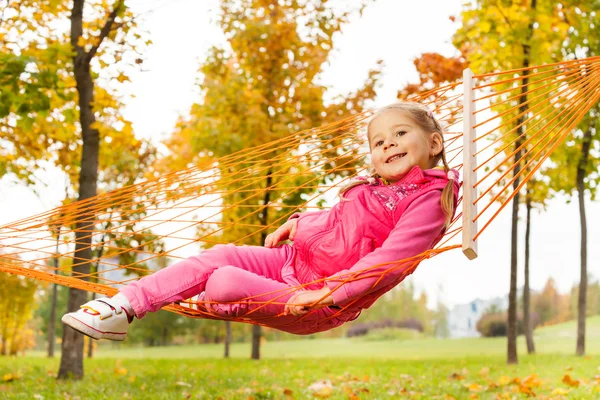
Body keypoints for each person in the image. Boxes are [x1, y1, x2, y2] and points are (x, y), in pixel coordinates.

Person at [62, 102, 460, 341]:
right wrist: (297, 222)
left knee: (225, 281)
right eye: (378, 141)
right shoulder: (372, 187)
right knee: (218, 255)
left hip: (316, 299)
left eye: (400, 132)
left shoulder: (428, 200)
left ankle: (218, 302)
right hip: (290, 263)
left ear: (434, 143)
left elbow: (389, 262)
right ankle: (122, 306)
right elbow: (339, 222)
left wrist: (325, 294)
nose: (388, 143)